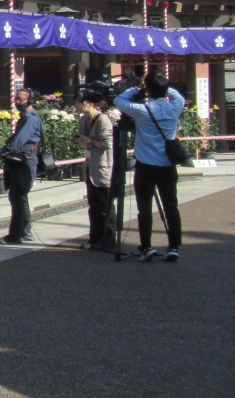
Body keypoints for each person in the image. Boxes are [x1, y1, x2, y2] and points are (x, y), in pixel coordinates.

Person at [114, 69, 185, 262]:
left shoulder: (142, 110)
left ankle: (146, 246)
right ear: (165, 88)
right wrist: (162, 86)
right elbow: (177, 96)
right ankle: (174, 247)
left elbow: (118, 101)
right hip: (168, 164)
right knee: (171, 206)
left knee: (144, 207)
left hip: (145, 165)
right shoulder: (175, 106)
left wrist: (137, 88)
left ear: (147, 90)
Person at [0, 87, 43, 244]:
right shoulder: (25, 117)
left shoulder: (31, 119)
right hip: (18, 161)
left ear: (30, 100)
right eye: (16, 99)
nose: (17, 102)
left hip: (24, 163)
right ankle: (25, 231)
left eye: (20, 99)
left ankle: (15, 236)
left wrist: (2, 152)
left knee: (17, 198)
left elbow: (19, 140)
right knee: (19, 197)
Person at [74, 91, 114, 248]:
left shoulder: (103, 119)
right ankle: (95, 239)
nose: (76, 106)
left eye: (78, 102)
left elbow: (107, 144)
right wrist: (82, 141)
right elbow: (81, 138)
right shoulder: (84, 119)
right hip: (90, 167)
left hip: (103, 168)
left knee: (105, 206)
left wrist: (90, 141)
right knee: (94, 206)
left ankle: (108, 239)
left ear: (88, 103)